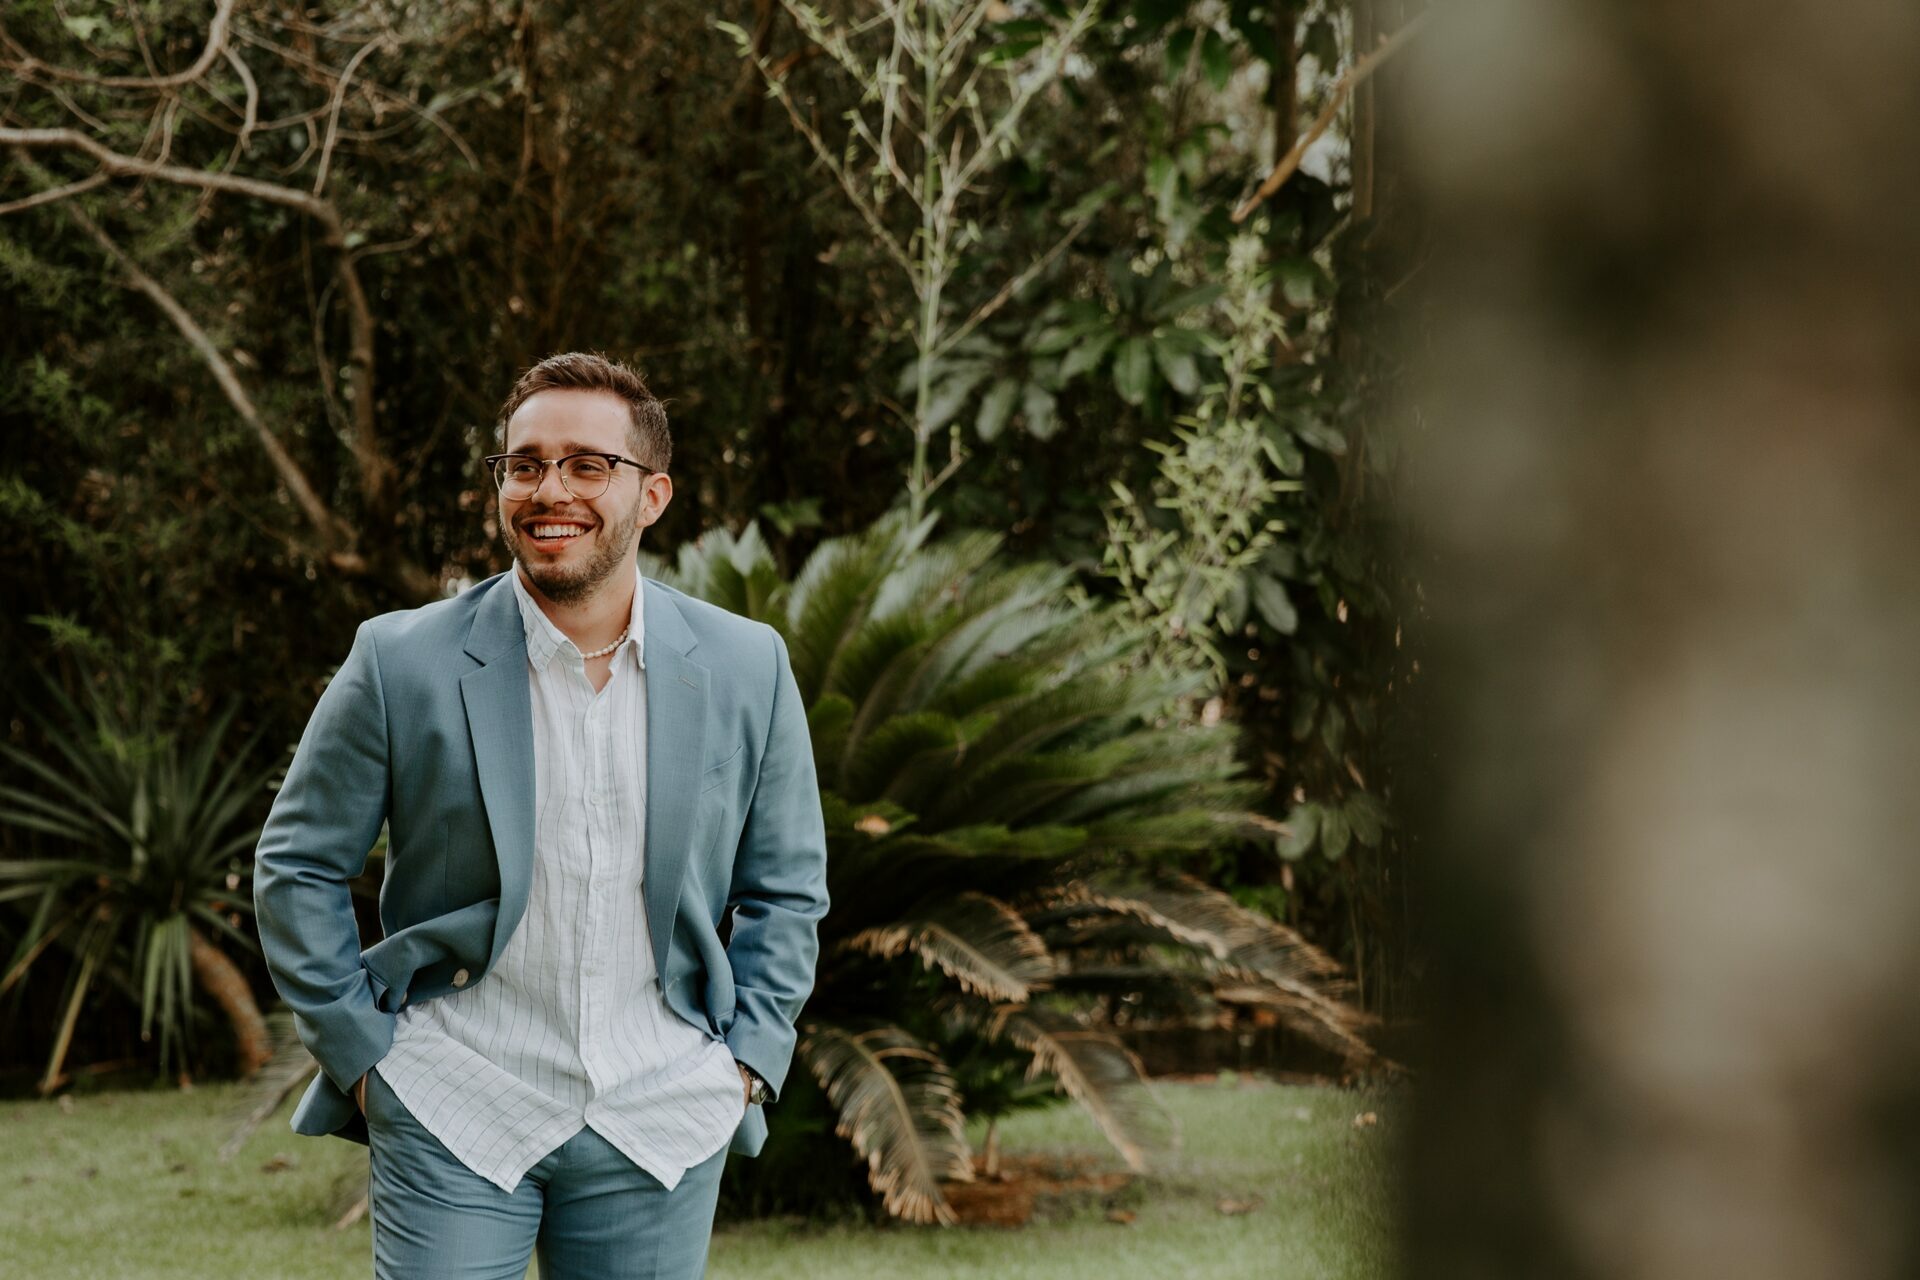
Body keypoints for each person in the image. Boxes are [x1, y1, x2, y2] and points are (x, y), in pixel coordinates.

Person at [253, 351, 830, 1279]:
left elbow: (788, 885)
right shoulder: (399, 662)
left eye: (585, 465)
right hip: (455, 1099)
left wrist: (747, 1062)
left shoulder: (746, 664)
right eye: (524, 464)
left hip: (661, 1113)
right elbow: (297, 866)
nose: (547, 489)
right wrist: (367, 1060)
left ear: (652, 495)